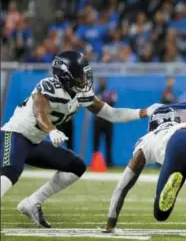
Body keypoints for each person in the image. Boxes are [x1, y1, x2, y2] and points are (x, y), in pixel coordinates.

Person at [0, 50, 146, 228]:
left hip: (35, 142)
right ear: (65, 77)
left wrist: (143, 112)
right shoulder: (47, 87)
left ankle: (32, 202)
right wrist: (52, 130)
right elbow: (40, 113)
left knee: (76, 166)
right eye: (80, 75)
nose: (85, 79)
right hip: (15, 134)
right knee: (11, 171)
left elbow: (112, 113)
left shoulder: (82, 94)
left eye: (85, 74)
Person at [103, 108, 186, 236]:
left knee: (160, 213)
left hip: (176, 142)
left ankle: (170, 186)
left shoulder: (148, 139)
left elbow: (123, 186)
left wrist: (111, 223)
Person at [93, 77, 117, 167]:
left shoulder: (109, 92)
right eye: (101, 80)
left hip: (108, 120)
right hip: (98, 120)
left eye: (104, 80)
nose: (102, 82)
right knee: (96, 143)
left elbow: (112, 103)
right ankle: (94, 161)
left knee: (108, 142)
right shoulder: (96, 93)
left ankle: (109, 161)